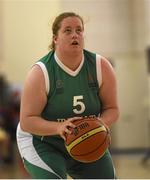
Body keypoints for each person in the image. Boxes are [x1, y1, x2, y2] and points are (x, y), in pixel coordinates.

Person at [16, 12, 119, 179]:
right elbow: (27, 120)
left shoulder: (101, 67)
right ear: (55, 38)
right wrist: (59, 127)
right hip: (42, 141)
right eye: (68, 30)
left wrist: (101, 123)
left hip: (85, 137)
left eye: (79, 30)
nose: (75, 35)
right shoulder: (40, 73)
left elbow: (112, 109)